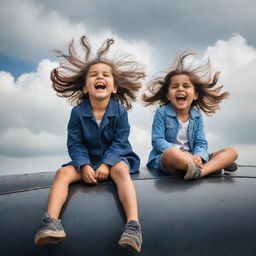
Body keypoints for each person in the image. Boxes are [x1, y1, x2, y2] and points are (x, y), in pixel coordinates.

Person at [34, 36, 145, 252]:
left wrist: (106, 164)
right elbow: (74, 144)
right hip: (87, 160)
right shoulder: (77, 113)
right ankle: (51, 221)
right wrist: (84, 165)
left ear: (113, 87)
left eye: (105, 75)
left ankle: (133, 225)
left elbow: (120, 142)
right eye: (93, 75)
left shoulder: (120, 112)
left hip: (115, 159)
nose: (99, 77)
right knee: (62, 173)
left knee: (121, 172)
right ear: (85, 88)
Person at [142, 51, 238, 180]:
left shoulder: (196, 116)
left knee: (231, 152)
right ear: (167, 95)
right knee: (171, 153)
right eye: (175, 86)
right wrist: (185, 156)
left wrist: (198, 156)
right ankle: (212, 167)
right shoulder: (162, 112)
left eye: (186, 86)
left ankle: (201, 171)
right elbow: (157, 140)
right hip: (168, 159)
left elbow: (201, 142)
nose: (180, 89)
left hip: (193, 157)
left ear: (195, 95)